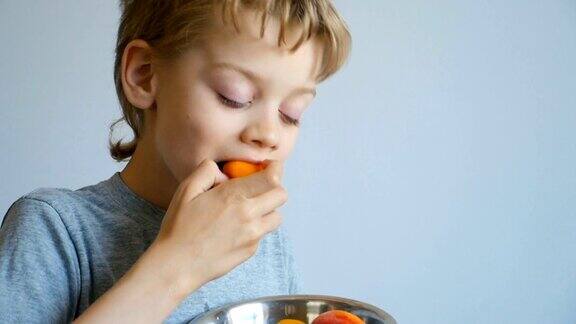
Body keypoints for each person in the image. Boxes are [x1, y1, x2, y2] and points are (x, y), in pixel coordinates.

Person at [0, 0, 351, 322]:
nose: (269, 134)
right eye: (235, 96)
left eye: (291, 114)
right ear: (144, 75)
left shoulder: (265, 242)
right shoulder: (54, 230)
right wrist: (178, 264)